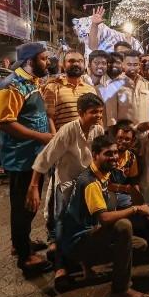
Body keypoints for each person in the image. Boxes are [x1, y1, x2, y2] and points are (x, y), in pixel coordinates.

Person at [25, 93, 105, 286]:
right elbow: (45, 158)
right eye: (94, 112)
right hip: (66, 185)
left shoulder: (98, 130)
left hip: (88, 186)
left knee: (87, 226)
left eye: (100, 112)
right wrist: (34, 186)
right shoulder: (68, 130)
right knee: (62, 226)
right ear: (80, 113)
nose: (98, 116)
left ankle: (86, 267)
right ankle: (60, 269)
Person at [61, 135, 149, 297]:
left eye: (115, 153)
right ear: (95, 155)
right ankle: (121, 289)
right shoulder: (90, 182)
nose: (114, 157)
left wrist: (126, 189)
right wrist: (136, 208)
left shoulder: (100, 172)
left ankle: (88, 267)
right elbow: (104, 218)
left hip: (82, 236)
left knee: (139, 245)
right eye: (108, 153)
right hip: (76, 245)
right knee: (123, 226)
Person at [0, 42, 54, 274]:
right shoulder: (11, 86)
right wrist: (42, 137)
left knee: (26, 205)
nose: (47, 62)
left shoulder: (32, 81)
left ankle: (20, 243)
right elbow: (5, 123)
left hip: (33, 154)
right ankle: (25, 258)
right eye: (43, 59)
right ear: (30, 61)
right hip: (20, 157)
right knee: (24, 205)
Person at [42, 50, 97, 133]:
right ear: (63, 65)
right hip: (64, 142)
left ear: (84, 65)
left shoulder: (90, 89)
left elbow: (97, 116)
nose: (76, 64)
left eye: (80, 61)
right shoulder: (52, 87)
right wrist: (54, 140)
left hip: (88, 142)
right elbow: (48, 118)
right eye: (71, 61)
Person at [109, 50, 149, 125]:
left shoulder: (146, 84)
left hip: (144, 132)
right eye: (129, 64)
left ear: (139, 65)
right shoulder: (113, 85)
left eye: (135, 64)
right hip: (124, 133)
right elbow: (111, 116)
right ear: (123, 65)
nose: (132, 68)